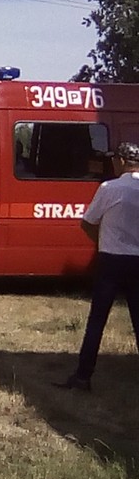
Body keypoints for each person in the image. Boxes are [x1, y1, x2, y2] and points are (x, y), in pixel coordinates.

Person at [56, 141, 139, 391]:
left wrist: (102, 241)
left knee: (97, 321)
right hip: (137, 261)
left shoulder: (110, 188)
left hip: (111, 260)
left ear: (121, 161)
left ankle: (83, 376)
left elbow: (88, 222)